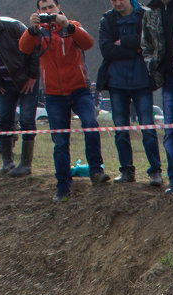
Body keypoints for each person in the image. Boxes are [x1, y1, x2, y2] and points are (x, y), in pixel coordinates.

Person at [20, 0, 110, 200]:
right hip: (53, 94)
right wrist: (31, 29)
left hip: (80, 90)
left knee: (91, 124)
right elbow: (24, 48)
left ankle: (96, 170)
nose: (48, 12)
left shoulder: (72, 25)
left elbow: (88, 42)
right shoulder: (38, 32)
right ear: (38, 12)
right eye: (44, 9)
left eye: (51, 7)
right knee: (60, 141)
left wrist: (66, 25)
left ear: (58, 8)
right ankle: (63, 185)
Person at [99, 0, 163, 185]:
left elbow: (150, 42)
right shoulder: (107, 19)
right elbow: (106, 50)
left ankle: (155, 171)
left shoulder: (145, 15)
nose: (118, 3)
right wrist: (134, 49)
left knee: (148, 128)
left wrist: (124, 42)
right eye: (113, 0)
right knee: (120, 129)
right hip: (116, 83)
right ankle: (126, 171)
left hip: (142, 81)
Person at [141, 0, 173, 192]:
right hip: (168, 79)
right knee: (171, 132)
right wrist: (151, 65)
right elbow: (145, 44)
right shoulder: (150, 11)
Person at [0, 5, 40, 177]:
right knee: (4, 121)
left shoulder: (12, 26)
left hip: (26, 81)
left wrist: (32, 76)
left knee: (26, 119)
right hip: (5, 84)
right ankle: (7, 161)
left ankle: (26, 163)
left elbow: (34, 49)